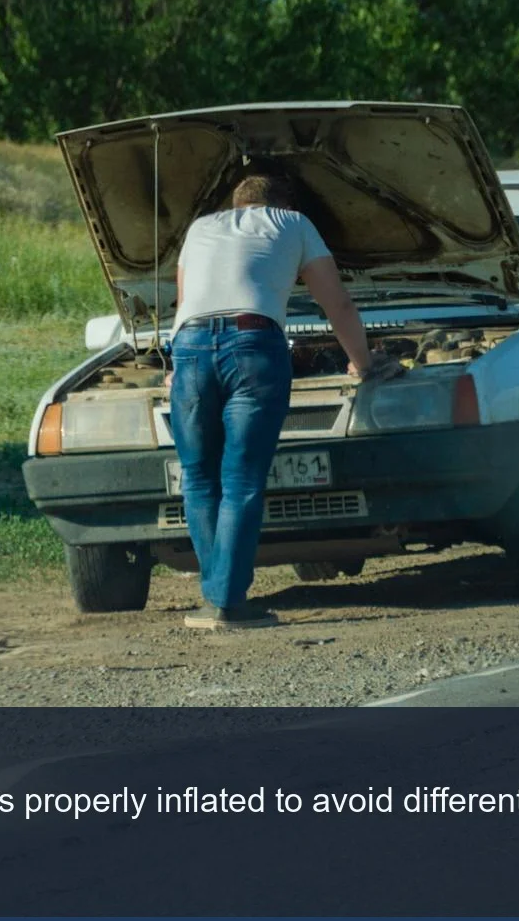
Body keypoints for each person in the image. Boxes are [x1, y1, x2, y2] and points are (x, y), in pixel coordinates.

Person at [167, 173, 394, 630]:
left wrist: (175, 365)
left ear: (236, 205)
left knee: (197, 477)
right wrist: (363, 362)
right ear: (283, 202)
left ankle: (217, 597)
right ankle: (228, 602)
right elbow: (338, 305)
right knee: (242, 479)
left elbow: (185, 301)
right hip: (253, 346)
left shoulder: (199, 228)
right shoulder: (293, 223)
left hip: (189, 347)